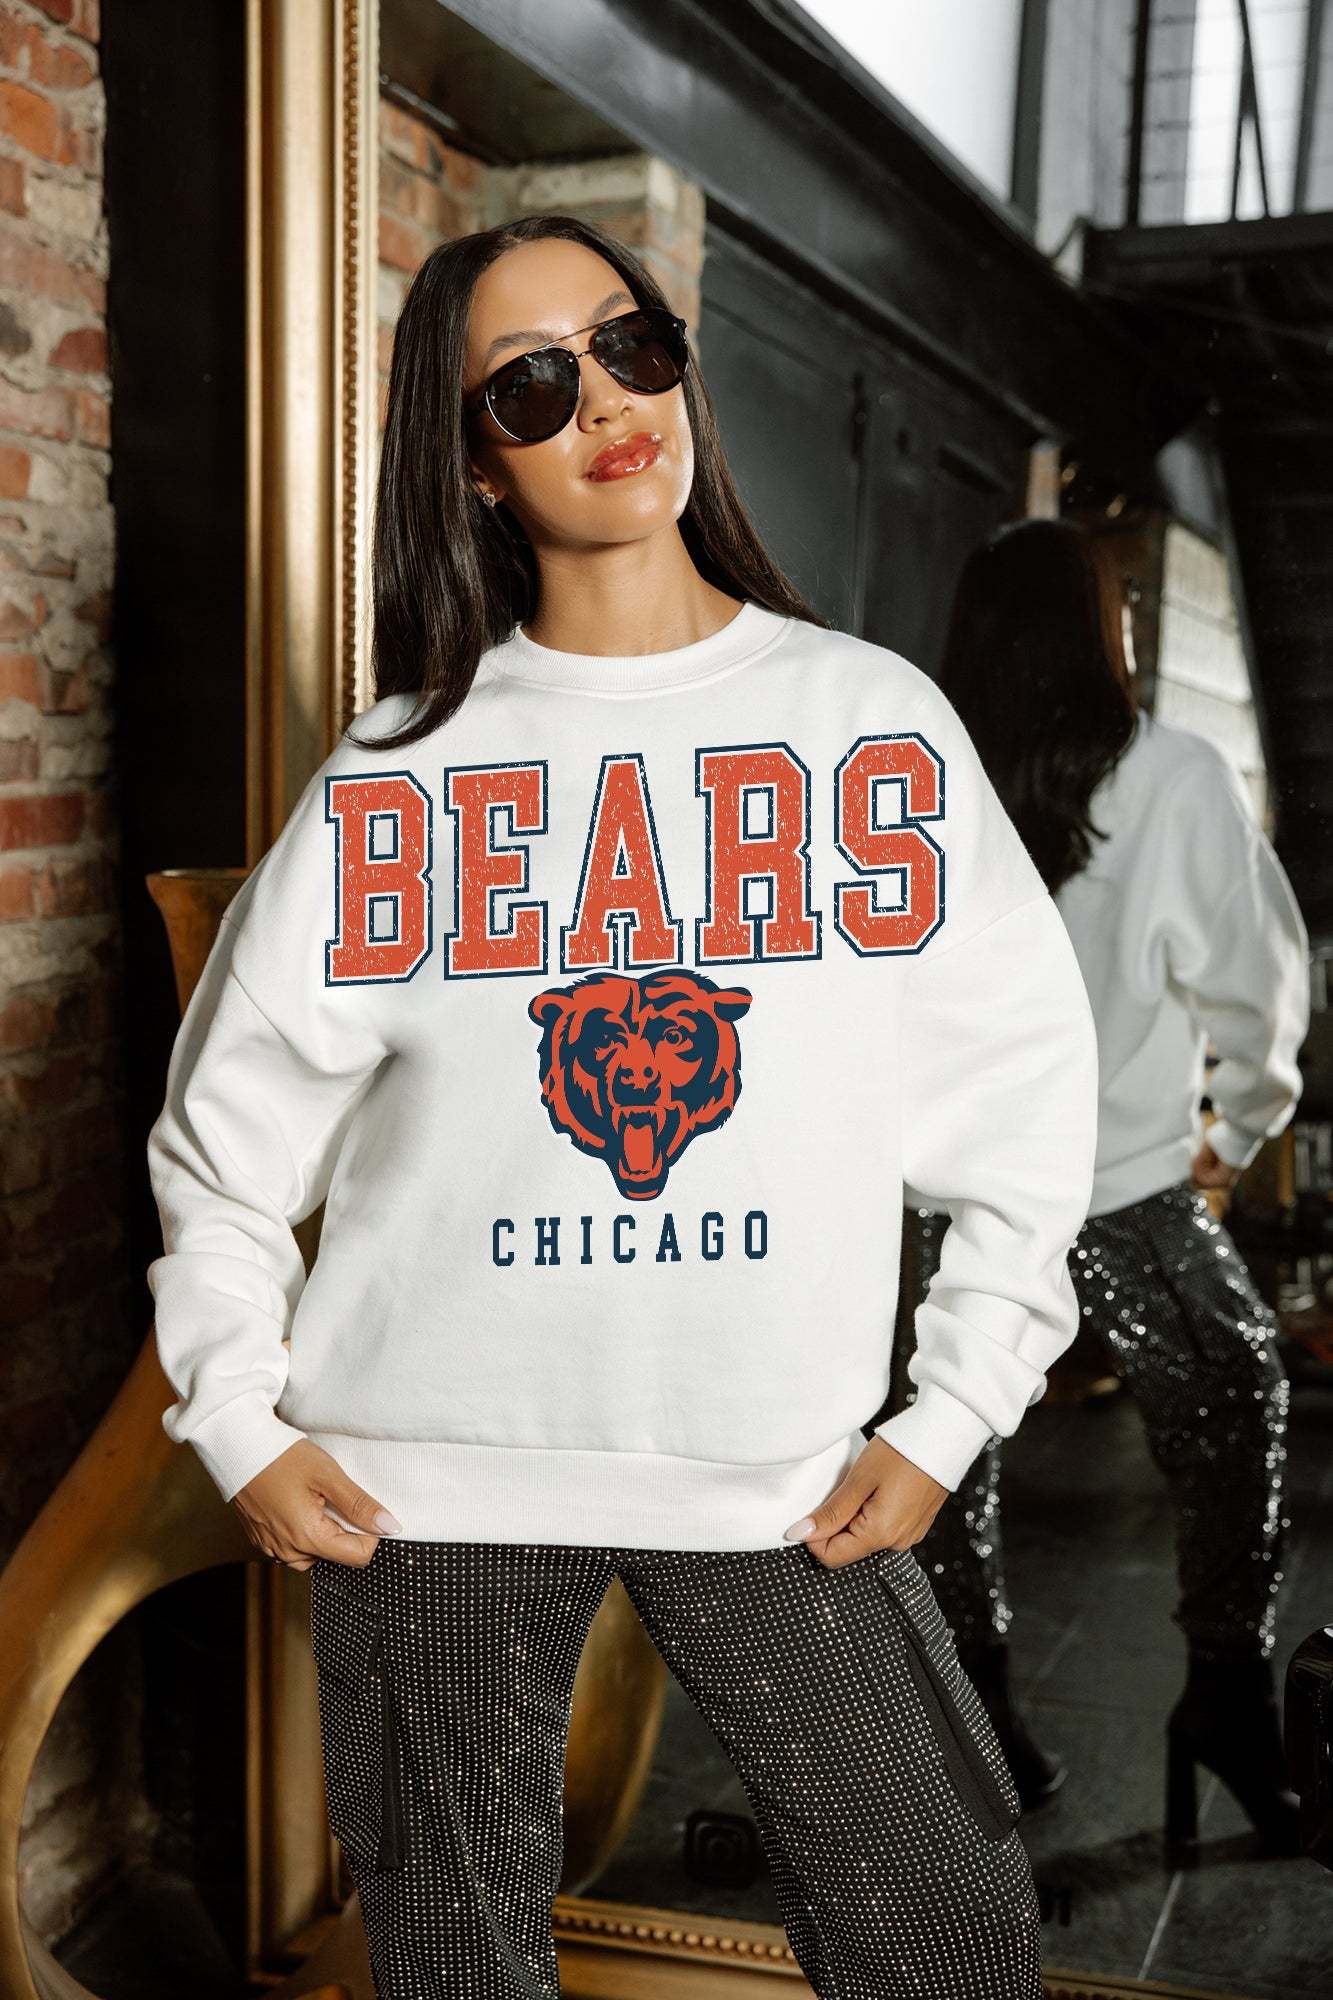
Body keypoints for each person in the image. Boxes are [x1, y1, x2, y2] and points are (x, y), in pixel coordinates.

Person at [144, 215, 1100, 1999]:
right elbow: (226, 1133)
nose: (599, 402)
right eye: (528, 385)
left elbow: (1027, 1096)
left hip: (783, 1477)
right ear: (470, 465)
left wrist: (955, 1407)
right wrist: (237, 1416)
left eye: (626, 344)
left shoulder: (863, 721)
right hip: (420, 1486)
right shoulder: (402, 769)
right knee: (457, 1972)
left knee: (950, 1936)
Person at [889, 516, 1309, 1870]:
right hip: (1117, 1185)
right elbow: (1259, 988)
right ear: (1104, 630)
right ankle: (1226, 1697)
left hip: (933, 1195)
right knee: (1237, 1400)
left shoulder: (912, 774)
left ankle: (977, 1717)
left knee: (937, 1448)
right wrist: (1241, 1127)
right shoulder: (1174, 775)